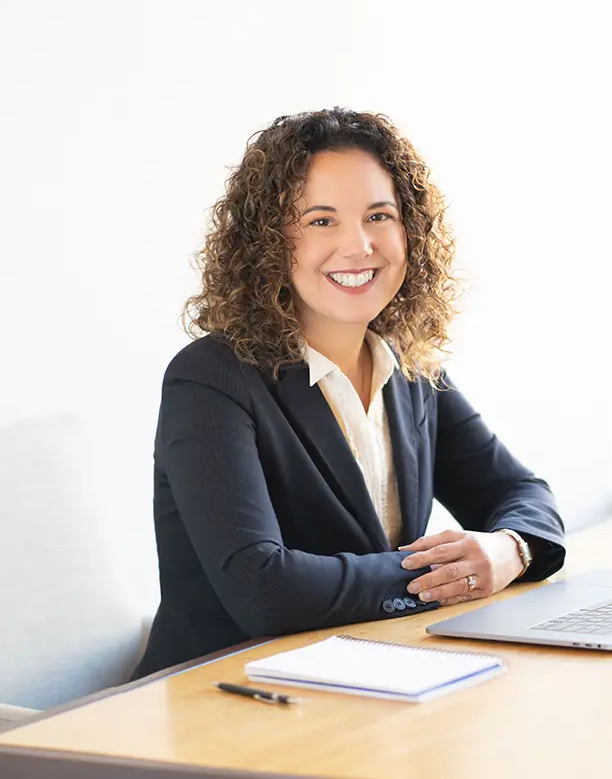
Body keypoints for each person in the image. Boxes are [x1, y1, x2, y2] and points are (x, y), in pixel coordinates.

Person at [132, 107, 566, 679]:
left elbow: (520, 492)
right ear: (267, 242)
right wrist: (447, 577)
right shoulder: (211, 378)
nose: (358, 245)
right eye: (320, 221)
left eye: (379, 216)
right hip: (229, 690)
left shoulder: (409, 368)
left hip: (367, 673)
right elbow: (263, 587)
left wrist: (510, 550)